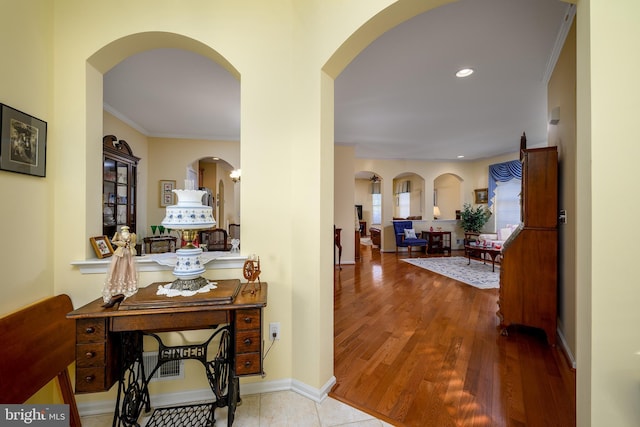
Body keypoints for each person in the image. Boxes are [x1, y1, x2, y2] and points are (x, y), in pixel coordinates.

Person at [102, 226, 138, 303]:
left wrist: (131, 246)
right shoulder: (118, 234)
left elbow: (134, 243)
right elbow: (113, 241)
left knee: (130, 269)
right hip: (119, 254)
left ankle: (129, 287)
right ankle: (117, 289)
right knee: (118, 269)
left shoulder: (132, 235)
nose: (125, 231)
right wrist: (121, 244)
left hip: (128, 254)